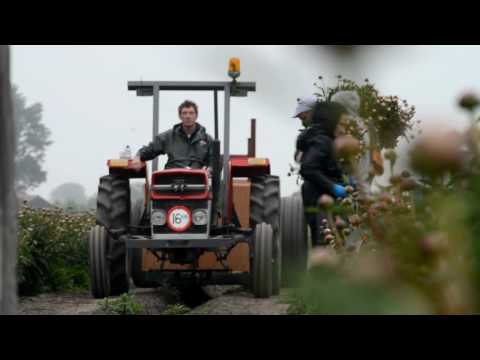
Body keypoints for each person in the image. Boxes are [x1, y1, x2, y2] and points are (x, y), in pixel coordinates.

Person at [297, 100, 350, 247]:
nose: (345, 129)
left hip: (324, 198)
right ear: (331, 122)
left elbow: (327, 167)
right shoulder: (322, 141)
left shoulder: (326, 140)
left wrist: (346, 179)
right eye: (343, 124)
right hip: (320, 201)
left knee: (335, 243)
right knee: (326, 244)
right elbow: (308, 168)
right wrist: (332, 186)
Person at [131, 100, 214, 171]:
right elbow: (151, 149)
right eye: (184, 113)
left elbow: (214, 160)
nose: (188, 116)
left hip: (197, 179)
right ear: (180, 116)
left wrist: (210, 169)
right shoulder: (168, 136)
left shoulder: (206, 139)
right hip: (172, 177)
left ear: (196, 115)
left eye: (191, 113)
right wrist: (138, 156)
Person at [330, 90, 384, 192]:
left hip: (359, 177)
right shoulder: (367, 124)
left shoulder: (365, 124)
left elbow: (375, 150)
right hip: (351, 179)